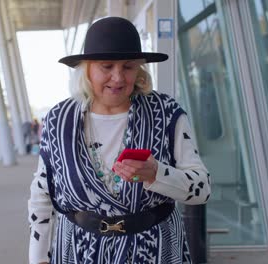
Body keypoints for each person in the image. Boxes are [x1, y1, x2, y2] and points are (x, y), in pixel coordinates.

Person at [28, 17, 211, 264]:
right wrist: (39, 258)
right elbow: (42, 196)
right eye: (107, 66)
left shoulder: (166, 113)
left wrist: (157, 174)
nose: (118, 77)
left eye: (128, 66)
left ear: (139, 69)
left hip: (156, 250)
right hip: (78, 252)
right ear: (87, 68)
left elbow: (202, 189)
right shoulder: (59, 120)